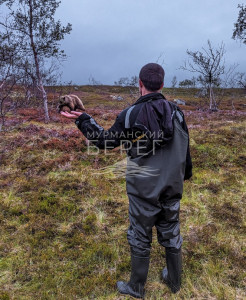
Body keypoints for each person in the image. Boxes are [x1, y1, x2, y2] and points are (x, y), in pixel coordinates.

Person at [61, 63, 192, 299]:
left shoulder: (131, 114)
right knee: (171, 229)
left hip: (143, 188)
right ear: (162, 85)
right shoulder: (177, 112)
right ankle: (174, 281)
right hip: (172, 185)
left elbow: (103, 141)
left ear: (140, 84)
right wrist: (186, 174)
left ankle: (136, 287)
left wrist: (82, 119)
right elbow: (185, 147)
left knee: (140, 233)